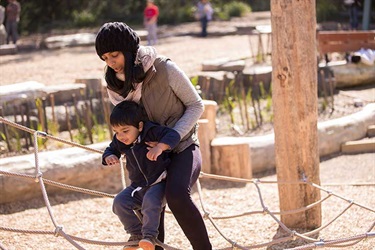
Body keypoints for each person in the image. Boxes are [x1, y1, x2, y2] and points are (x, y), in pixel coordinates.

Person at [95, 22, 212, 250]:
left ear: (129, 50)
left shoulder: (164, 68)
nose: (110, 63)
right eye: (105, 58)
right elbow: (126, 127)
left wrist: (171, 139)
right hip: (147, 158)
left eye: (115, 55)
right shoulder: (114, 86)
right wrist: (113, 151)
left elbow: (195, 105)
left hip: (182, 147)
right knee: (148, 204)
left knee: (177, 195)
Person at [102, 100, 181, 250]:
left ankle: (149, 236)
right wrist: (109, 156)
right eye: (116, 132)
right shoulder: (121, 141)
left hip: (159, 182)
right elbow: (111, 149)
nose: (120, 136)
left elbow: (173, 135)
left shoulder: (151, 132)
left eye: (125, 131)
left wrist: (160, 147)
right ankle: (136, 234)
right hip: (138, 186)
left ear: (139, 126)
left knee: (150, 202)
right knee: (119, 202)